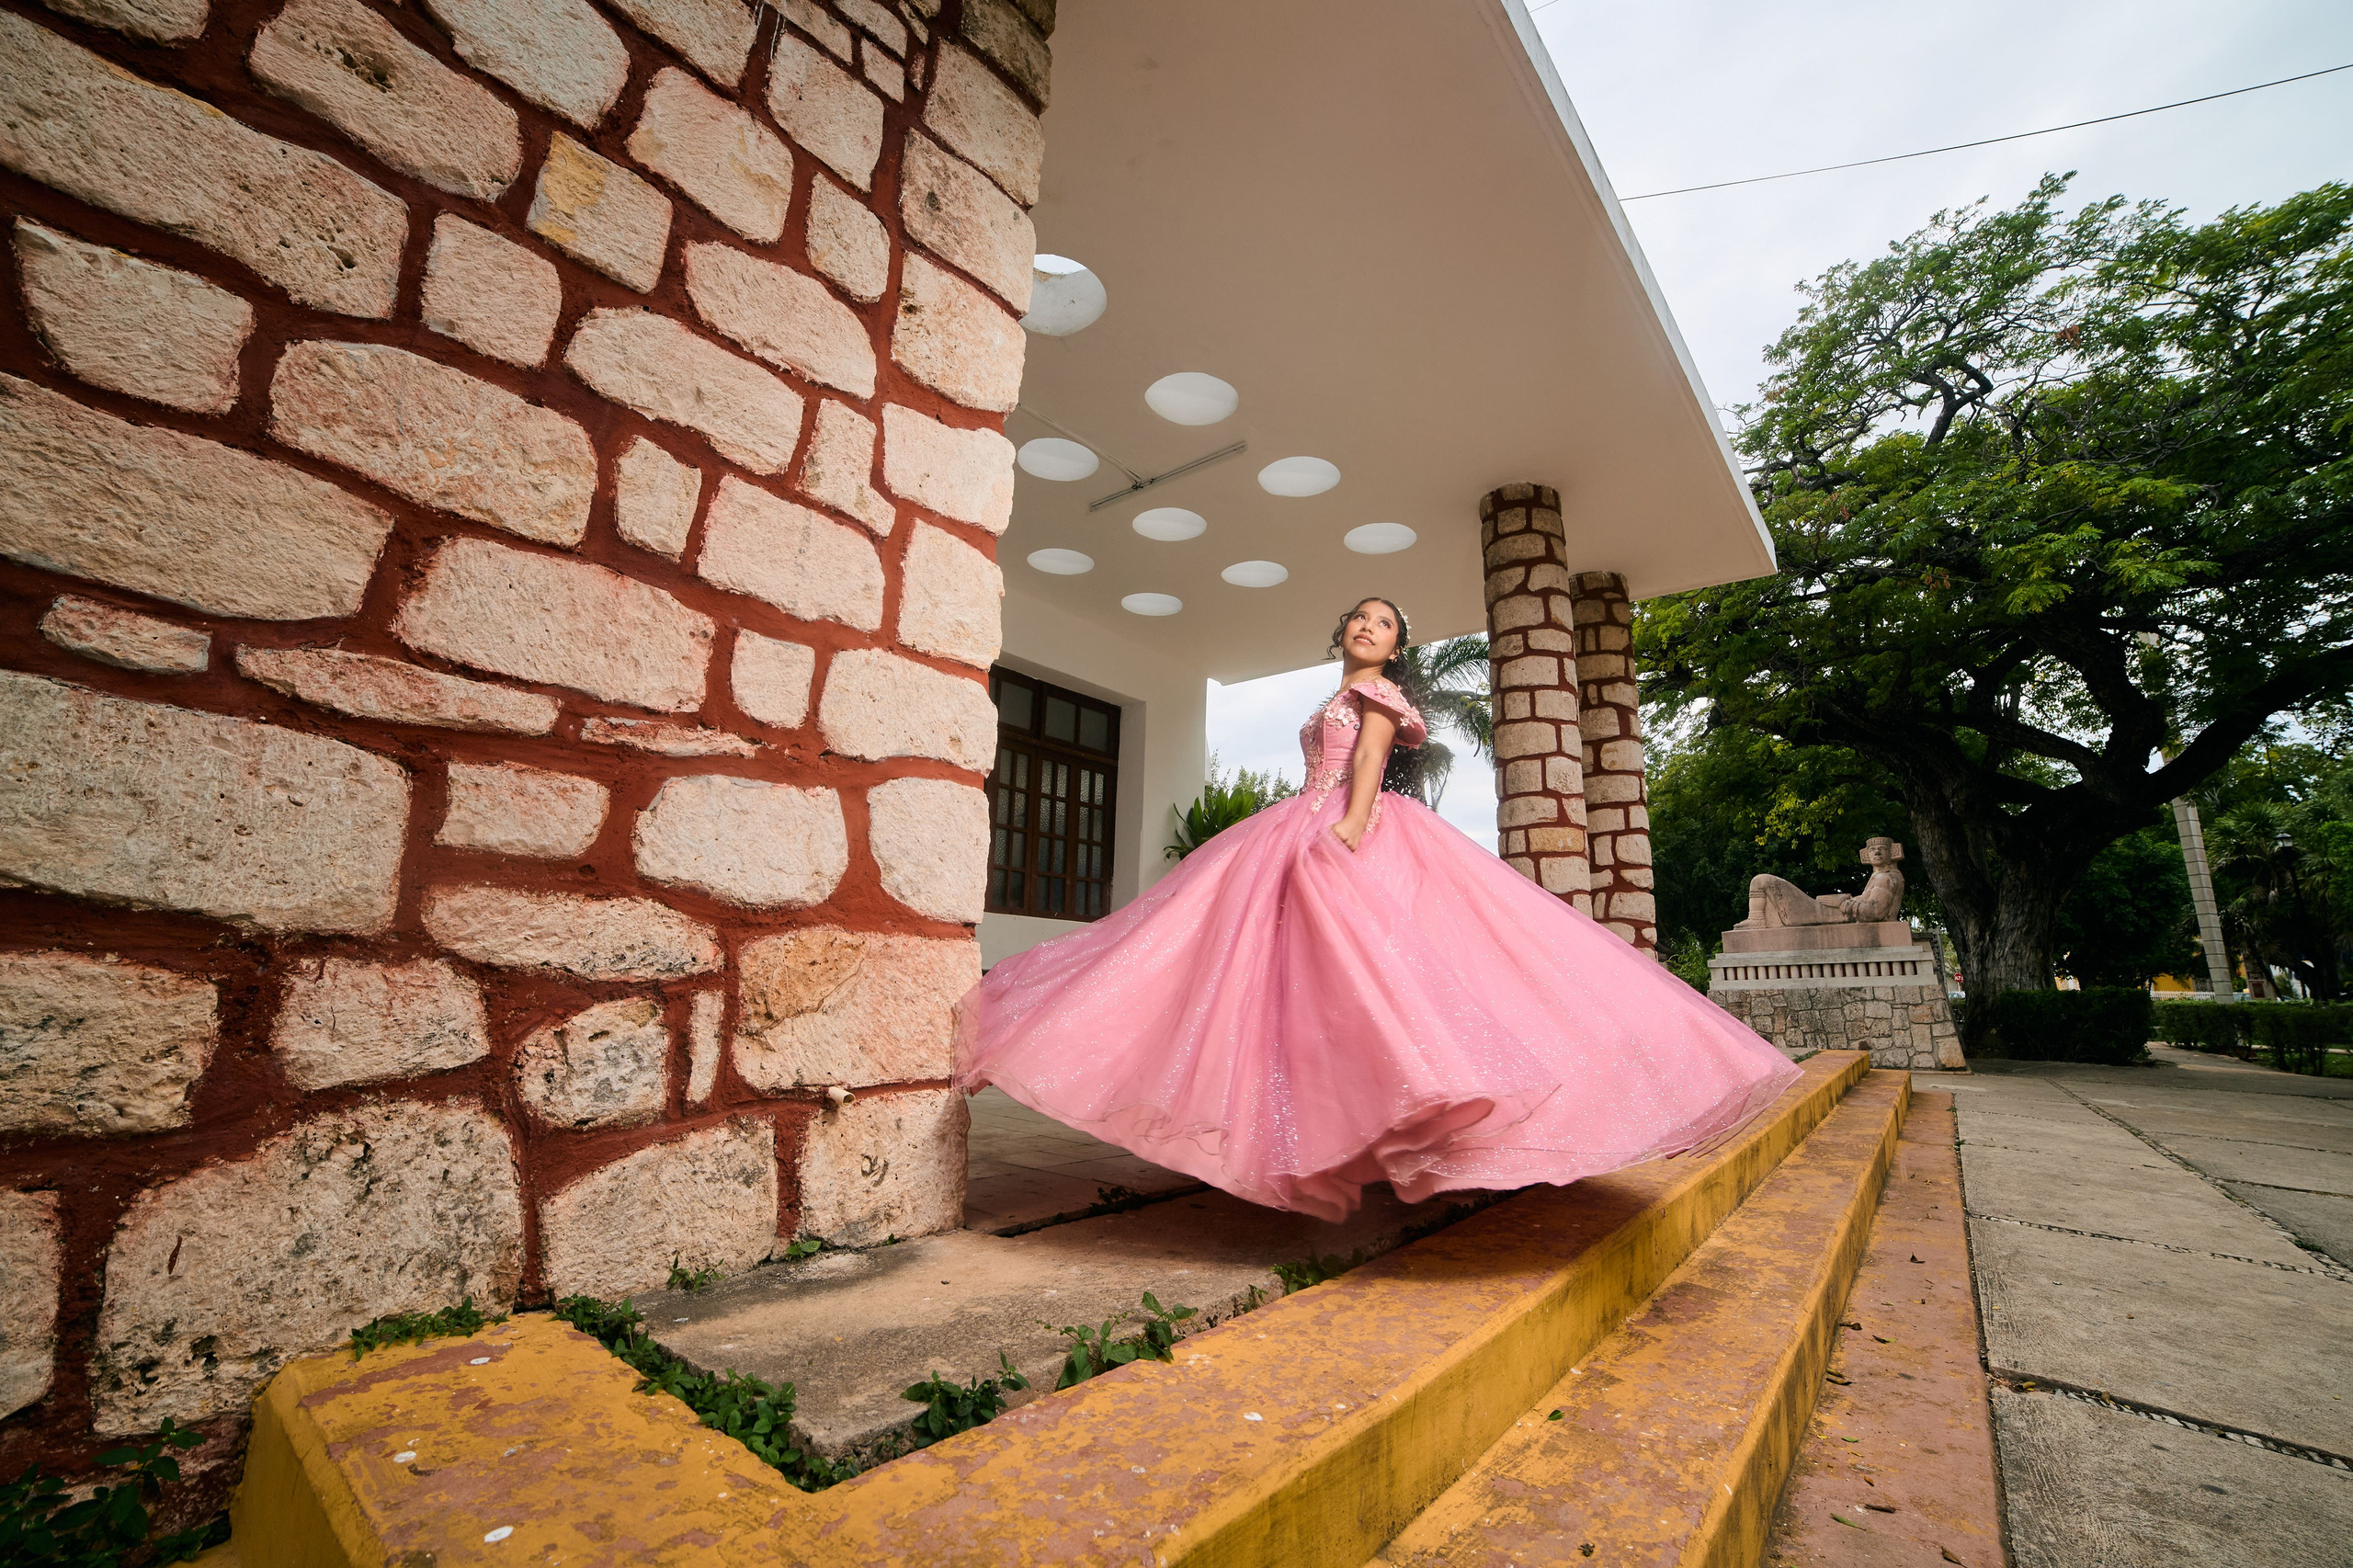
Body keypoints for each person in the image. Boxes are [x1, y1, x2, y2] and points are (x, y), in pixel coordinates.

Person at [953, 597, 1802, 1222]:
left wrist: (1348, 831)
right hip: (1300, 822)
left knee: (1371, 982)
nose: (1369, 628)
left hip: (1342, 828)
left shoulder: (1378, 699)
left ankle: (1417, 1111)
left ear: (1398, 649)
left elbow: (1367, 762)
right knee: (1292, 986)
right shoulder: (1344, 689)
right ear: (1341, 636)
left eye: (1385, 624)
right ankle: (1348, 1130)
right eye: (1359, 619)